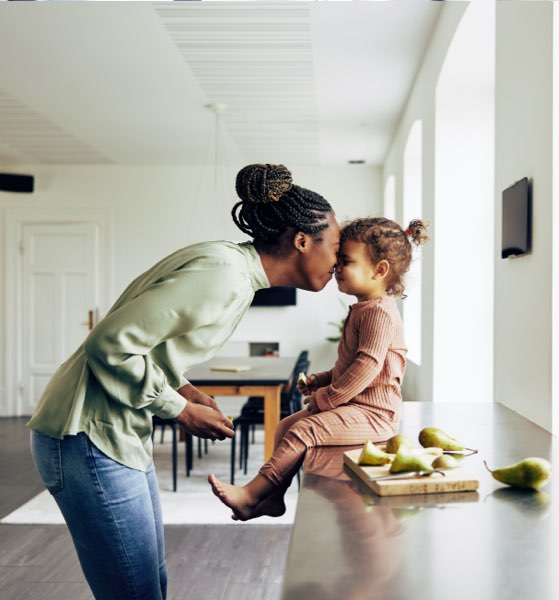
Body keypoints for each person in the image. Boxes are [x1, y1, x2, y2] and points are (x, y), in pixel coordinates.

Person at [27, 163, 340, 600]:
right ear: (302, 242)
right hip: (86, 435)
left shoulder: (234, 270)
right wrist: (178, 410)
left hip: (111, 434)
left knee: (149, 583)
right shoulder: (224, 274)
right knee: (135, 593)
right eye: (337, 248)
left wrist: (185, 390)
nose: (340, 262)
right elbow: (110, 344)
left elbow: (149, 346)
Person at [209, 216, 429, 521]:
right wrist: (322, 379)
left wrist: (329, 397)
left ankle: (252, 494)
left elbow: (367, 366)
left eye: (346, 261)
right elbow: (352, 365)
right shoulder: (364, 309)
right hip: (356, 406)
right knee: (285, 426)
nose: (337, 267)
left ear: (379, 271)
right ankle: (273, 498)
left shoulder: (379, 313)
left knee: (303, 431)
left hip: (376, 415)